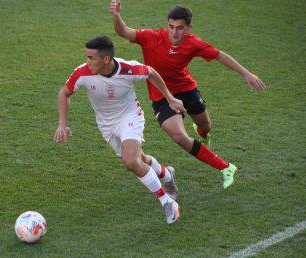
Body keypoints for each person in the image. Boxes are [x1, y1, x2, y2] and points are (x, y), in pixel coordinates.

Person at [110, 1, 266, 189]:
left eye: (180, 28)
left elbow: (219, 55)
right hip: (161, 95)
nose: (174, 32)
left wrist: (246, 73)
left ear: (188, 28)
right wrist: (117, 16)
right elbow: (124, 32)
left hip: (187, 90)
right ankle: (226, 167)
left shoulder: (193, 43)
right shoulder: (151, 37)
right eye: (171, 27)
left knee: (205, 126)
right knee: (179, 136)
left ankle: (203, 133)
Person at [54, 36, 187, 224]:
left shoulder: (128, 69)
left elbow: (151, 72)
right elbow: (64, 92)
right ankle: (167, 174)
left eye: (91, 58)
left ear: (106, 59)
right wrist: (62, 124)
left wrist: (170, 98)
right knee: (139, 159)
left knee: (130, 160)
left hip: (130, 117)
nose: (87, 62)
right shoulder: (82, 73)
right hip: (106, 125)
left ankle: (166, 202)